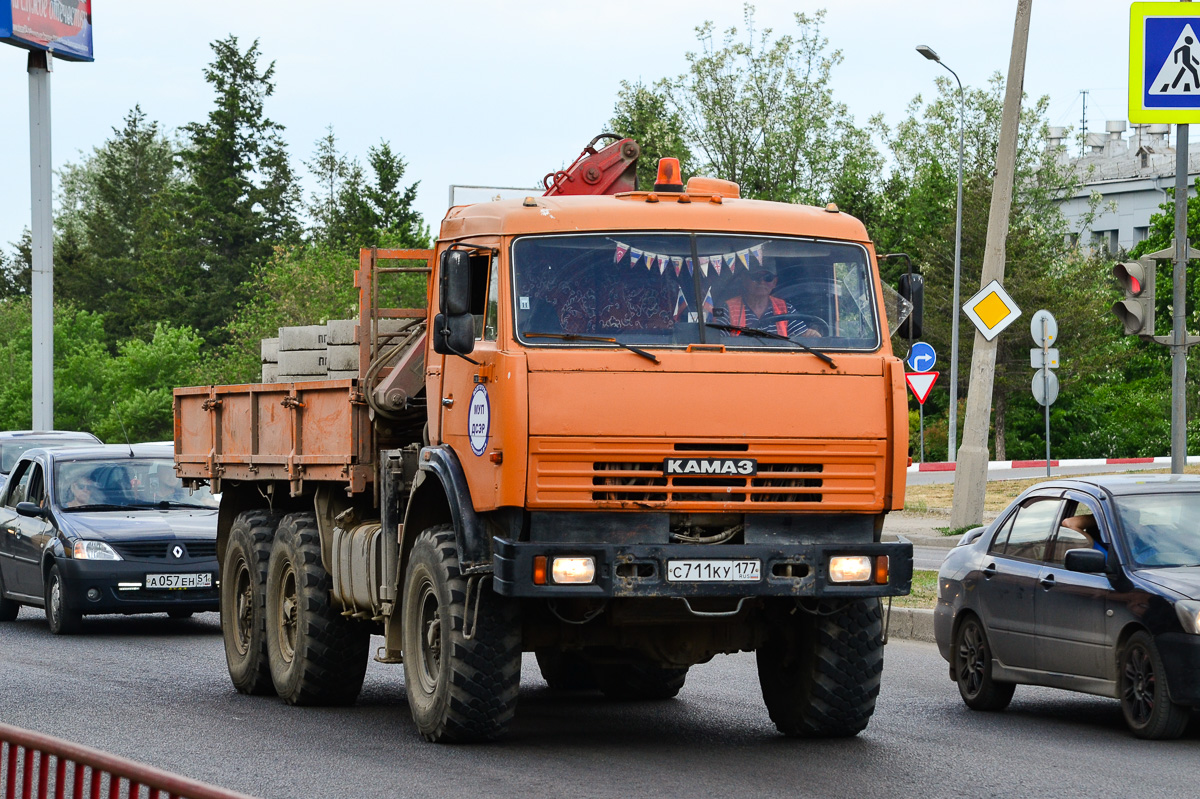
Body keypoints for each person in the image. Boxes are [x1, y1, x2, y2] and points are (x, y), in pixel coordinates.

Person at [714, 266, 821, 338]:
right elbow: (718, 340)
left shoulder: (785, 308)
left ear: (774, 282)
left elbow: (802, 336)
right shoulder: (727, 308)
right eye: (756, 277)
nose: (762, 282)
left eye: (768, 278)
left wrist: (811, 335)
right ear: (744, 280)